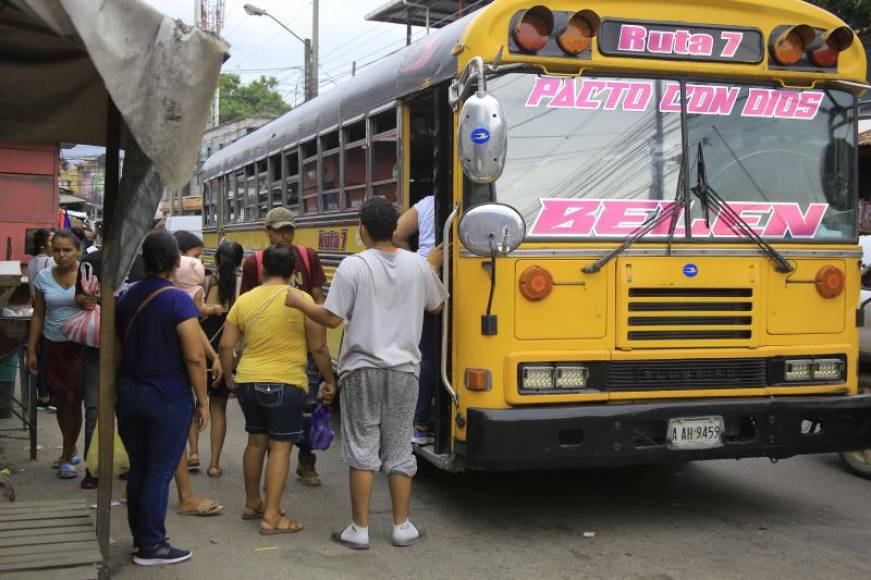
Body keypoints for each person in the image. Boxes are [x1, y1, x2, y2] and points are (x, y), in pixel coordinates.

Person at [286, 197, 448, 550]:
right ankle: (402, 525)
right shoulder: (416, 266)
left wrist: (299, 301)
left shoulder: (353, 266)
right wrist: (429, 267)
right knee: (399, 447)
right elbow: (436, 304)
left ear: (362, 228)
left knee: (362, 447)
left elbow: (331, 318)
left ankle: (359, 530)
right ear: (394, 228)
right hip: (405, 371)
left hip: (362, 369)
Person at [220, 245, 336, 535]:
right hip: (285, 382)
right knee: (281, 447)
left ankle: (252, 503)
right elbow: (319, 346)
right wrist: (329, 379)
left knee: (255, 442)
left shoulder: (244, 300)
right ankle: (272, 516)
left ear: (262, 270)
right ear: (293, 273)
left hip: (247, 381)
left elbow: (226, 344)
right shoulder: (302, 300)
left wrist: (228, 375)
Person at [115, 231, 209, 566]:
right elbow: (195, 357)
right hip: (166, 397)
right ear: (174, 262)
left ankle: (143, 539)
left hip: (128, 393)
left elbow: (116, 351)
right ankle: (152, 546)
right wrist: (203, 399)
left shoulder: (126, 297)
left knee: (140, 467)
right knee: (158, 471)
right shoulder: (178, 300)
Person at [240, 207, 328, 486]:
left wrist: (318, 336)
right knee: (266, 426)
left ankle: (306, 459)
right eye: (279, 230)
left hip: (303, 347)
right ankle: (274, 463)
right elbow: (245, 305)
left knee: (308, 406)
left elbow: (318, 297)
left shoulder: (307, 257)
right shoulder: (255, 263)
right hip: (268, 350)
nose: (285, 235)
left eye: (289, 229)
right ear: (267, 232)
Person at [75, 240, 146, 489]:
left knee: (128, 408)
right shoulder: (91, 263)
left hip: (132, 347)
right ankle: (93, 469)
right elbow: (78, 297)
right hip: (98, 347)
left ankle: (129, 464)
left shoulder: (142, 263)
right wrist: (85, 300)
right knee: (95, 408)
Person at [26, 230, 86, 479]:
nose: (61, 255)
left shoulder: (87, 273)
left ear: (78, 251)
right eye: (57, 249)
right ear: (50, 250)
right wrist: (32, 349)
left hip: (81, 346)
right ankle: (69, 448)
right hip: (53, 346)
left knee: (74, 399)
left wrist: (89, 301)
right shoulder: (42, 277)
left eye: (67, 250)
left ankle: (66, 455)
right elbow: (38, 314)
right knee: (61, 401)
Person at [393, 195, 443, 444]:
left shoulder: (427, 203)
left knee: (427, 352)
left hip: (425, 270)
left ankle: (419, 422)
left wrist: (415, 260)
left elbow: (397, 235)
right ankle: (420, 423)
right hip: (441, 272)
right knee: (432, 353)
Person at [198, 241, 244, 478]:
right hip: (226, 353)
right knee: (218, 408)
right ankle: (214, 463)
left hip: (201, 349)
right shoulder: (241, 286)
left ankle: (193, 452)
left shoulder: (204, 282)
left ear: (216, 259)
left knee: (195, 402)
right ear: (239, 262)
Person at [27, 228, 55, 408]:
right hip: (47, 314)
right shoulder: (51, 262)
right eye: (53, 241)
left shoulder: (31, 263)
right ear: (44, 244)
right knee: (47, 356)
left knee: (39, 354)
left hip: (35, 310)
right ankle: (49, 395)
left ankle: (42, 394)